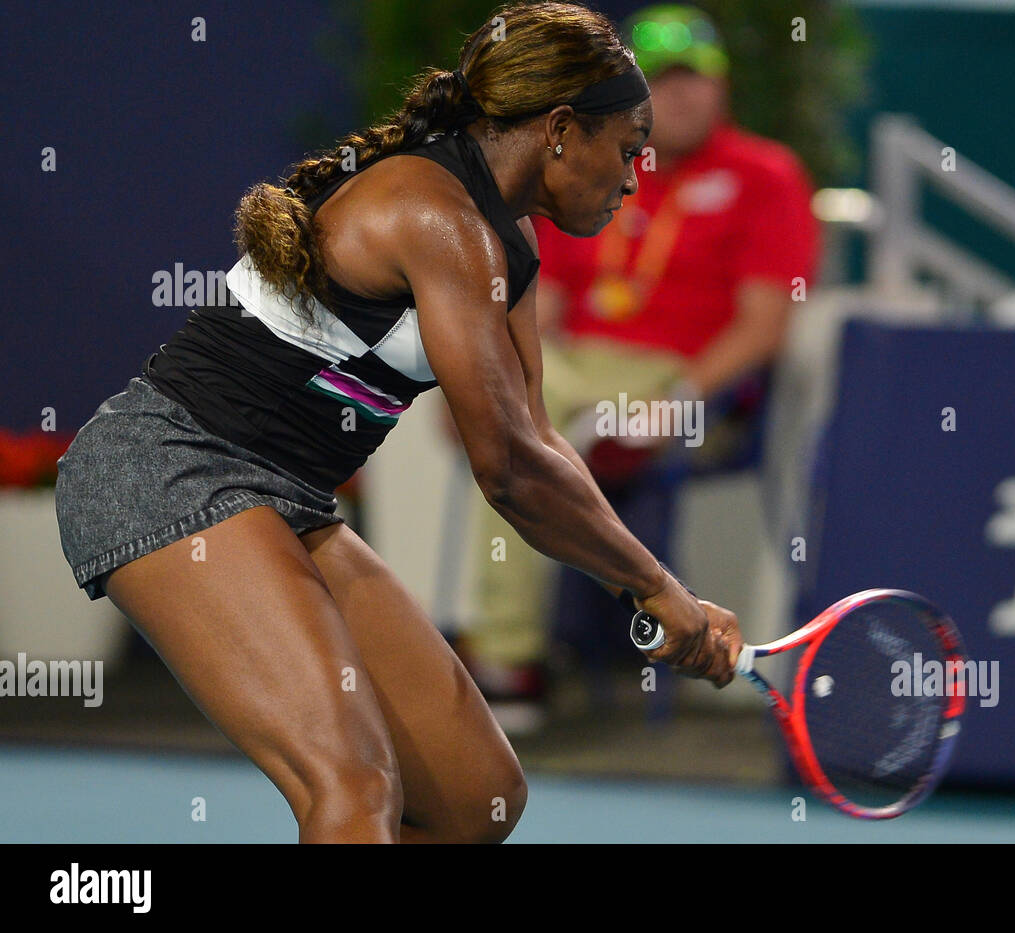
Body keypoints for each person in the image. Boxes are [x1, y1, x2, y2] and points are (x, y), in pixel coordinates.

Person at [53, 1, 741, 844]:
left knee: (472, 795)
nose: (637, 176)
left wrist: (661, 589)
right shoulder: (436, 216)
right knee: (353, 786)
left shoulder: (506, 240)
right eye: (630, 149)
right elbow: (510, 471)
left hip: (286, 498)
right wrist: (658, 590)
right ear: (561, 130)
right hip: (166, 471)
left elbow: (537, 439)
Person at [453, 4, 818, 727]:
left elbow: (764, 325)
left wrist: (679, 397)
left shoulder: (766, 175)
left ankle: (510, 656)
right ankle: (509, 658)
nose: (684, 96)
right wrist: (487, 368)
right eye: (666, 82)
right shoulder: (597, 161)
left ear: (721, 88)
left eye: (698, 79)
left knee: (527, 420)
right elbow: (543, 298)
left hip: (681, 381)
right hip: (575, 367)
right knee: (502, 401)